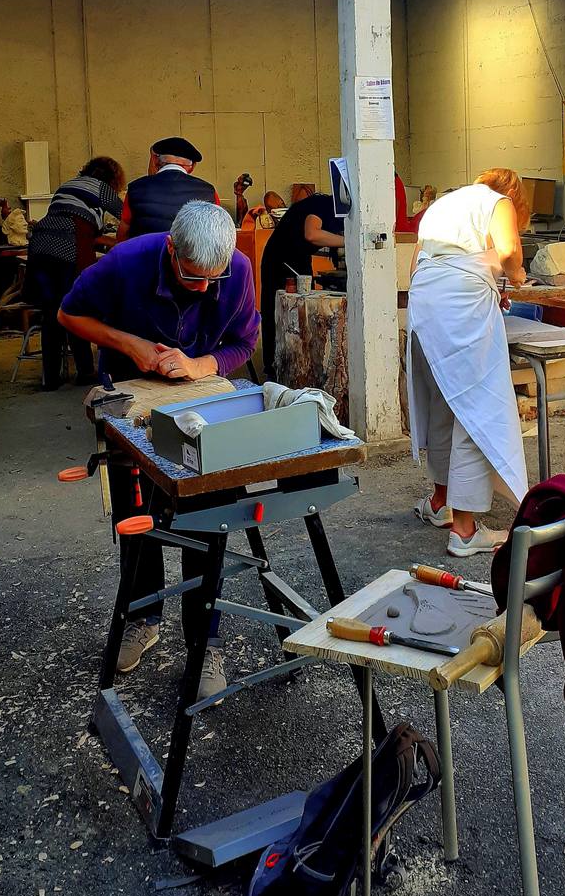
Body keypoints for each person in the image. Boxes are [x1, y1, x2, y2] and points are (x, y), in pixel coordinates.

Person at [59, 200, 260, 699]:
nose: (203, 288)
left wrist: (200, 365)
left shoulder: (237, 270)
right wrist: (130, 344)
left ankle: (205, 641)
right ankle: (143, 617)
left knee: (205, 519)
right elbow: (68, 313)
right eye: (192, 277)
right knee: (136, 516)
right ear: (171, 249)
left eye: (212, 279)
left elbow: (244, 343)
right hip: (133, 402)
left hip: (201, 404)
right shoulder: (127, 261)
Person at [406, 168, 530, 557]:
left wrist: (487, 285)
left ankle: (441, 502)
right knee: (477, 411)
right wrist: (517, 275)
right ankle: (464, 530)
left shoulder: (442, 205)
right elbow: (509, 252)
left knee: (445, 404)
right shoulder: (498, 201)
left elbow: (417, 265)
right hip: (461, 312)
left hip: (425, 308)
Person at [26, 156, 126, 389]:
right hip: (66, 249)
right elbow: (127, 215)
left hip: (39, 247)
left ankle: (50, 378)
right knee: (75, 308)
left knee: (51, 314)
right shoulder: (101, 188)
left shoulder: (68, 185)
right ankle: (85, 372)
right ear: (112, 178)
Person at [258, 192, 344, 376]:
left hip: (299, 258)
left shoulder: (324, 210)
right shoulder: (322, 205)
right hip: (280, 260)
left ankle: (303, 363)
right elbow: (312, 234)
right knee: (277, 310)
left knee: (302, 313)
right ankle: (274, 367)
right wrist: (350, 241)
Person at [116, 136, 217, 241]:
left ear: (156, 162)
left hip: (146, 251)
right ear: (192, 167)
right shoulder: (209, 191)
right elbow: (218, 232)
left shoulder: (135, 189)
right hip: (188, 251)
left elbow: (122, 235)